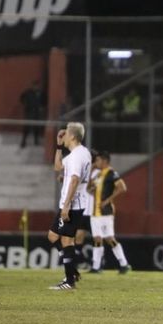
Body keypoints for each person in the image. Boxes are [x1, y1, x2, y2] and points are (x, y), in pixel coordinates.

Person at [47, 122, 92, 290]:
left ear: (72, 136)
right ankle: (72, 271)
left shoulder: (76, 156)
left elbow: (74, 180)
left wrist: (66, 207)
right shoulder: (82, 153)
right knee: (53, 236)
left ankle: (69, 281)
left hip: (72, 205)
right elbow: (58, 167)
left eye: (65, 134)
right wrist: (59, 146)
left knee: (66, 240)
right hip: (71, 204)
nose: (63, 136)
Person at [89, 151, 130, 274]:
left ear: (105, 161)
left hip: (105, 212)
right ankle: (96, 267)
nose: (96, 163)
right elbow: (89, 189)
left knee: (109, 238)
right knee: (97, 238)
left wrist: (107, 200)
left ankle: (124, 264)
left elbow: (122, 187)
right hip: (95, 212)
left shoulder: (111, 173)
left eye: (98, 160)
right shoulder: (98, 175)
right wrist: (91, 172)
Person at [73, 149, 99, 269]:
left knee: (98, 238)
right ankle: (80, 260)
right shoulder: (83, 172)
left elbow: (96, 189)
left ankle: (98, 263)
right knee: (79, 235)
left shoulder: (98, 173)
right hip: (83, 210)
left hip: (94, 212)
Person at [20, 80, 45, 148]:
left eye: (37, 86)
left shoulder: (40, 93)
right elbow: (22, 97)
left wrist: (42, 107)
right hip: (29, 112)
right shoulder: (28, 92)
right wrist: (25, 104)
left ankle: (36, 141)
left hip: (37, 112)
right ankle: (23, 141)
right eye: (34, 86)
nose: (35, 87)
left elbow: (44, 101)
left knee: (36, 127)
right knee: (26, 127)